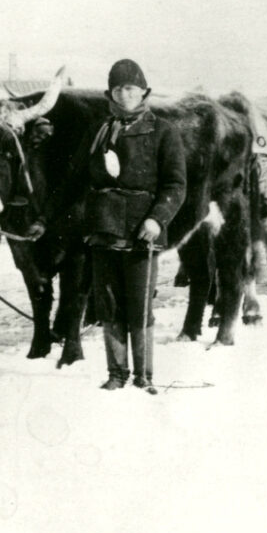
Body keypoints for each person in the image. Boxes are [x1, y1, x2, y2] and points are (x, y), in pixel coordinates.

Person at [80, 59, 186, 393]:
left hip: (143, 230)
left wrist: (157, 219)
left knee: (139, 305)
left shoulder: (163, 131)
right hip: (103, 230)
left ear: (143, 92)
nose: (124, 95)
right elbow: (79, 178)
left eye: (130, 88)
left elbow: (176, 185)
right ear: (110, 94)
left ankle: (144, 375)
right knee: (109, 304)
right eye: (117, 89)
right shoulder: (100, 131)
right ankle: (116, 373)